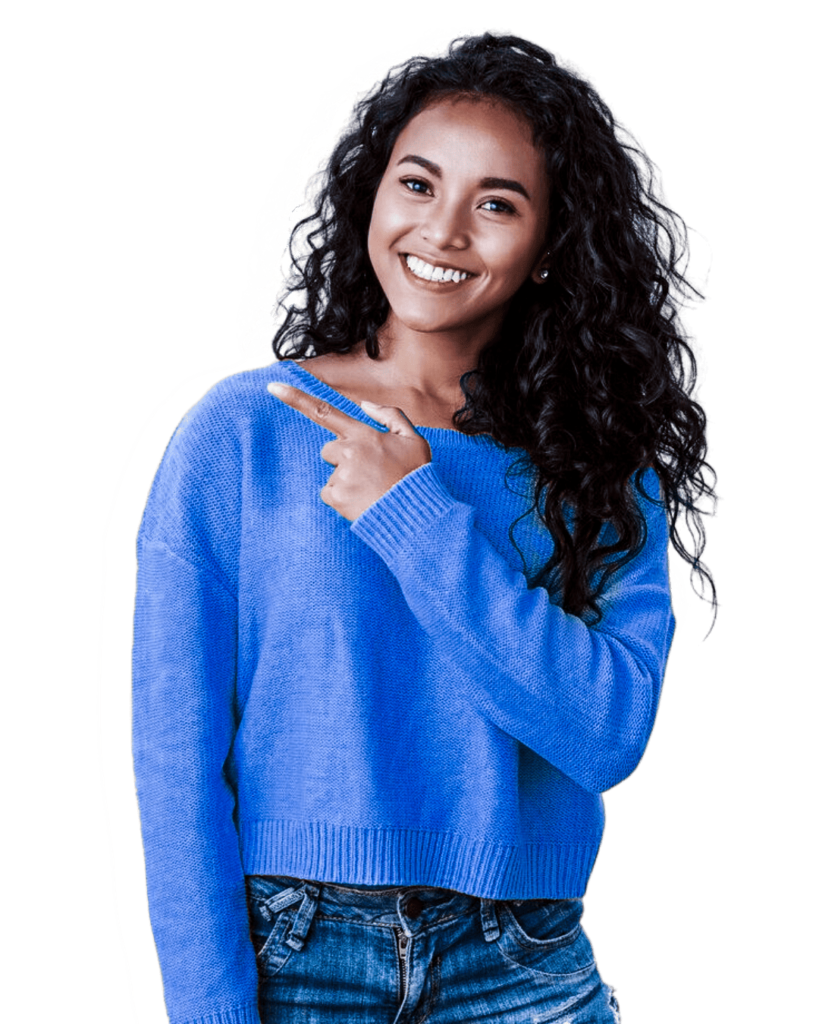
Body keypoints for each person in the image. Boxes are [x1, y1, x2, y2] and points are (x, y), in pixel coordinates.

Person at [132, 32, 717, 1024]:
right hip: (295, 956)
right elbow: (175, 762)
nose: (442, 231)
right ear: (372, 195)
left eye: (497, 204)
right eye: (417, 184)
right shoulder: (242, 433)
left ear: (549, 248)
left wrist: (412, 518)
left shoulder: (599, 464)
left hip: (523, 963)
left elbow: (608, 739)